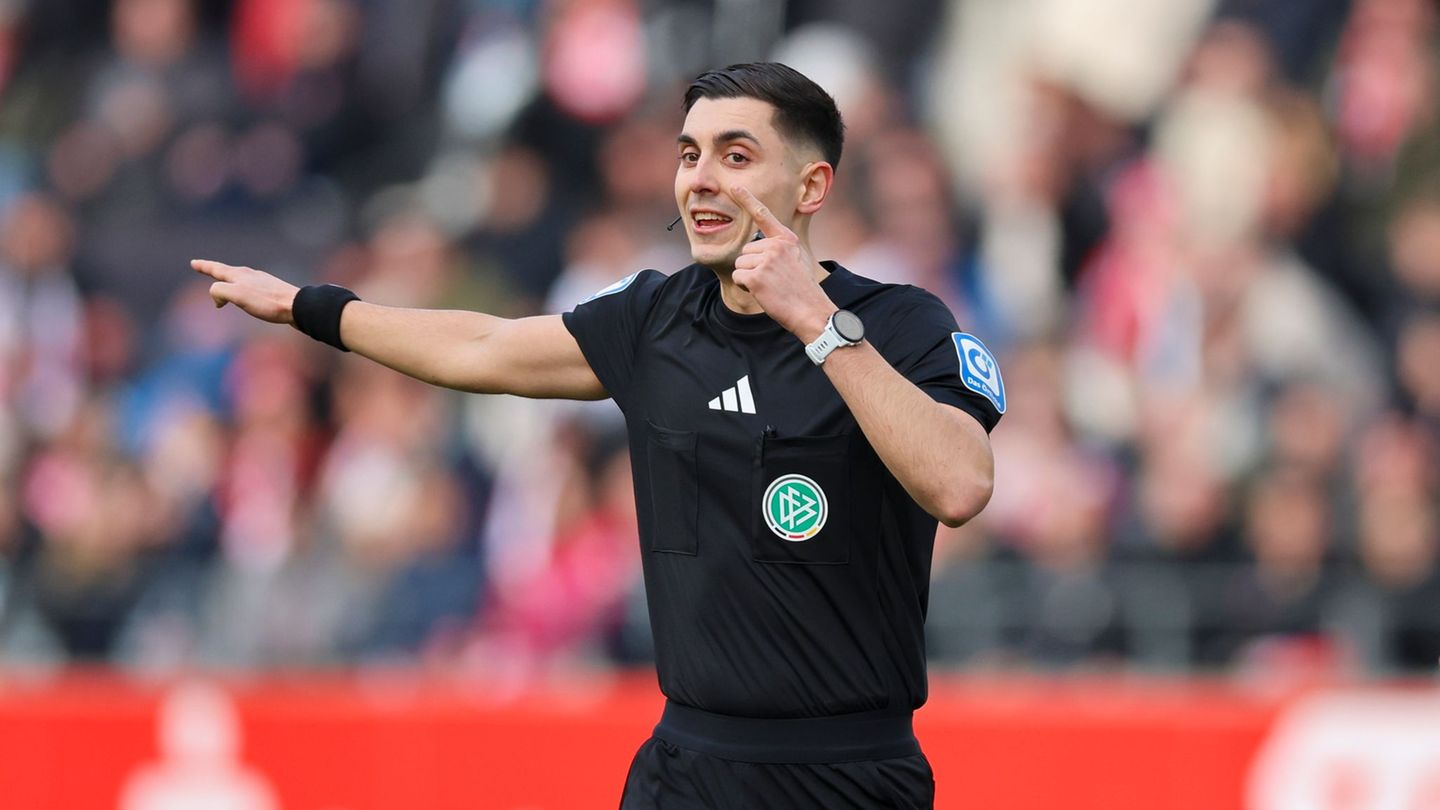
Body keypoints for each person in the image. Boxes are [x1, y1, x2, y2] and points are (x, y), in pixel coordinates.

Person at [193, 62, 1003, 810]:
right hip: (688, 766)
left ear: (812, 185)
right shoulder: (654, 320)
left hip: (850, 773)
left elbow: (960, 485)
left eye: (737, 155)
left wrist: (819, 325)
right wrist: (312, 309)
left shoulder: (901, 325)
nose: (702, 180)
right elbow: (484, 347)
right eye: (689, 155)